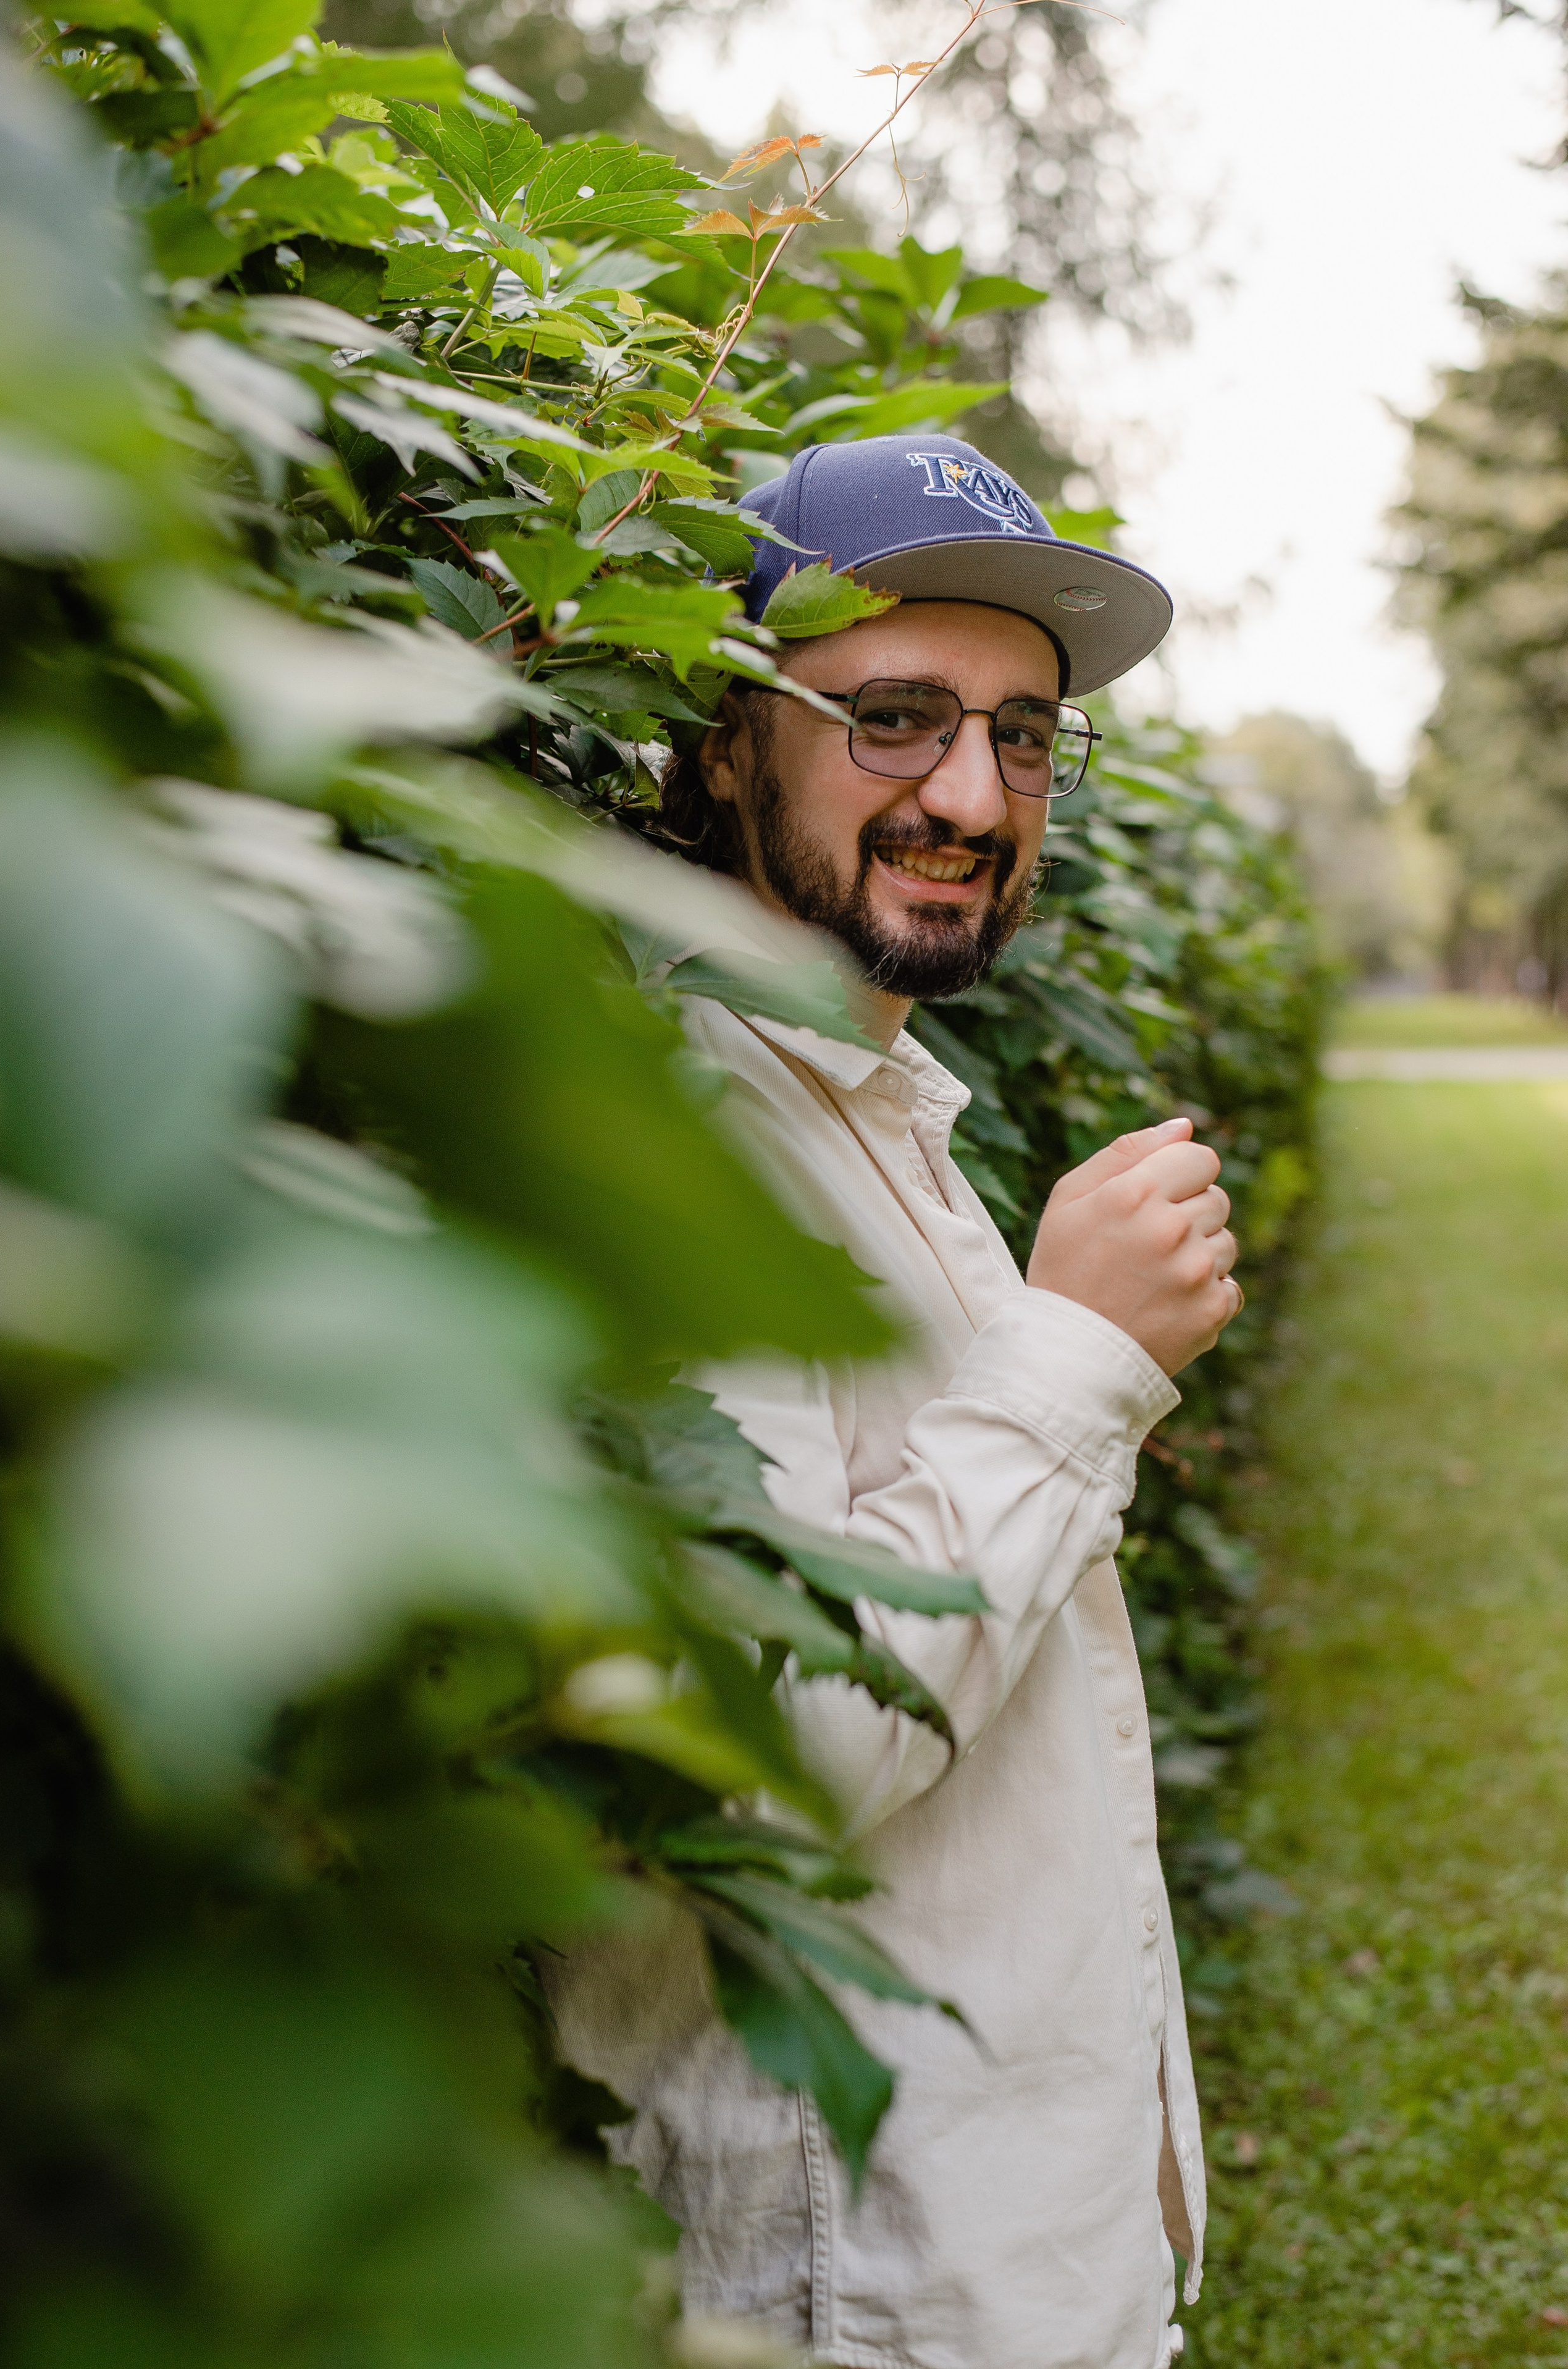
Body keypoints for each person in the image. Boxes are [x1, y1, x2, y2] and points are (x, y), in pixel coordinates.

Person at [548, 433, 1236, 2369]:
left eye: (1023, 736)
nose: (971, 794)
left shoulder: (871, 1110)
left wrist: (1067, 1385)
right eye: (894, 717)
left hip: (997, 2241)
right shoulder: (670, 1135)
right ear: (723, 745)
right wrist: (1075, 1357)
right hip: (868, 2286)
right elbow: (766, 1754)